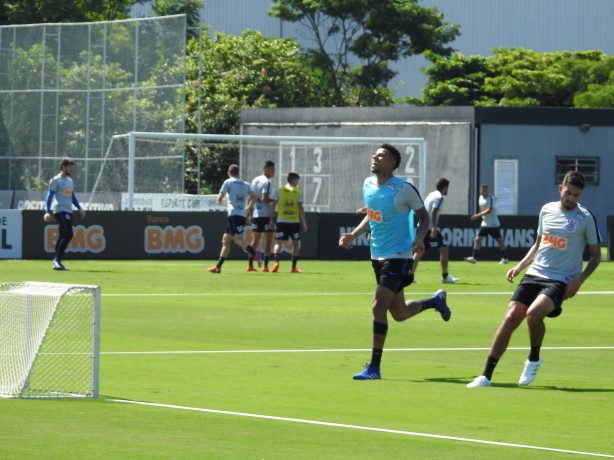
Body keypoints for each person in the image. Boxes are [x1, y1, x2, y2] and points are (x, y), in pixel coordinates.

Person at [467, 171, 601, 388]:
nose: (571, 198)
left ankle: (533, 358)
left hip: (560, 279)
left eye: (576, 195)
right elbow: (539, 245)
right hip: (535, 273)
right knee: (511, 317)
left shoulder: (585, 218)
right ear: (560, 189)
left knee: (533, 314)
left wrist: (579, 280)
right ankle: (486, 375)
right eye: (568, 193)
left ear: (580, 195)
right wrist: (520, 266)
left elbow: (596, 256)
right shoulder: (546, 210)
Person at [339, 144, 452, 380]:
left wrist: (420, 237)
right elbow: (371, 217)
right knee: (399, 313)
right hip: (377, 255)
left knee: (377, 306)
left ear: (392, 163)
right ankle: (435, 301)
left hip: (398, 256)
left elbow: (424, 216)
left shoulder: (403, 189)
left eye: (381, 156)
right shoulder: (367, 184)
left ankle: (374, 367)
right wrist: (353, 234)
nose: (375, 158)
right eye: (375, 154)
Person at [208, 164, 259, 274]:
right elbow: (254, 196)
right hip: (241, 215)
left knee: (238, 239)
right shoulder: (245, 184)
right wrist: (248, 208)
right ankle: (218, 267)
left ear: (228, 173)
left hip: (233, 214)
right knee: (226, 239)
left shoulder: (228, 182)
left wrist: (220, 200)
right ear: (238, 173)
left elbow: (220, 198)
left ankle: (254, 252)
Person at [412, 178, 459, 284]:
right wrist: (434, 228)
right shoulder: (439, 197)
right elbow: (433, 212)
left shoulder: (431, 195)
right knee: (444, 248)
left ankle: (409, 275)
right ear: (445, 187)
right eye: (448, 188)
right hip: (428, 228)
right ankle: (445, 277)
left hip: (422, 226)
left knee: (419, 251)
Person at [43, 158, 86, 270]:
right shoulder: (56, 180)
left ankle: (56, 261)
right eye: (69, 167)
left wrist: (79, 208)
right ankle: (57, 260)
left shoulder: (70, 181)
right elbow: (49, 196)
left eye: (72, 167)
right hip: (59, 210)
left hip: (68, 210)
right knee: (69, 233)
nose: (71, 169)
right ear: (63, 167)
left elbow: (72, 196)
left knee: (63, 235)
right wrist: (47, 211)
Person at [269, 172, 308, 273]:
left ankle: (276, 262)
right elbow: (300, 208)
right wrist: (304, 223)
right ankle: (293, 268)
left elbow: (273, 205)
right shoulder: (298, 192)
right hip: (294, 222)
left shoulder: (280, 190)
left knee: (278, 243)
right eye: (297, 180)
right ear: (294, 180)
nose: (298, 182)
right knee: (295, 244)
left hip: (282, 221)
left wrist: (271, 220)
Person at [464, 184, 509, 264]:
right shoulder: (480, 198)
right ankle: (474, 258)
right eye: (483, 190)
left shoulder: (491, 198)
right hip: (485, 223)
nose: (484, 191)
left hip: (493, 224)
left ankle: (505, 258)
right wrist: (480, 216)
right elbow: (483, 210)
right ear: (480, 190)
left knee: (500, 241)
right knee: (477, 239)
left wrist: (477, 215)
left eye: (486, 190)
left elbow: (489, 210)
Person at [247, 160, 276, 272]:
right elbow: (264, 199)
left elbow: (251, 197)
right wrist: (274, 200)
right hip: (266, 215)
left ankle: (250, 265)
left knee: (255, 240)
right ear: (266, 169)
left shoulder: (255, 180)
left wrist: (250, 213)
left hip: (256, 213)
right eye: (272, 169)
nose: (274, 172)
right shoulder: (267, 182)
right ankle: (265, 266)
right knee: (268, 241)